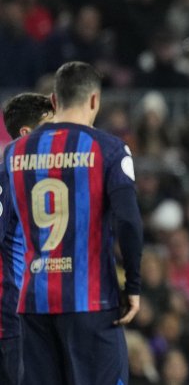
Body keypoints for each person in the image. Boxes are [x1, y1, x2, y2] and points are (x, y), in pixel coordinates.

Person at [3, 61, 144, 385]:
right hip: (90, 300)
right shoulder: (108, 148)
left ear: (54, 101)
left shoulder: (13, 153)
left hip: (33, 301)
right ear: (95, 101)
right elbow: (129, 221)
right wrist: (133, 285)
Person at [0, 93, 54, 385]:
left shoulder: (52, 180)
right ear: (27, 133)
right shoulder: (6, 178)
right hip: (13, 322)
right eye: (51, 125)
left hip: (42, 317)